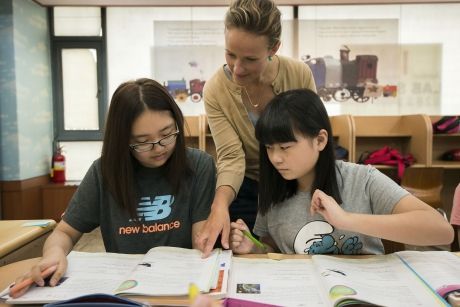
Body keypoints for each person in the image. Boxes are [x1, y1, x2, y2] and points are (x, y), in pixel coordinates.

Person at [13, 78, 216, 297]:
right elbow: (64, 232)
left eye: (167, 134)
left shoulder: (198, 166)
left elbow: (200, 243)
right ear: (122, 140)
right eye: (143, 141)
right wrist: (53, 254)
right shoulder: (104, 172)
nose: (159, 148)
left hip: (182, 289)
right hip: (125, 292)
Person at [230, 89, 454, 255]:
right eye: (269, 148)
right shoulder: (273, 189)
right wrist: (253, 248)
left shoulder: (362, 179)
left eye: (286, 147)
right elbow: (275, 249)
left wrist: (346, 220)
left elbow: (442, 231)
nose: (276, 158)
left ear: (320, 140)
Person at [197, 0, 316, 256]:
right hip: (248, 185)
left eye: (250, 59)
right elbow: (231, 157)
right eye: (230, 54)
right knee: (242, 254)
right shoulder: (216, 89)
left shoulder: (299, 74)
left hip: (297, 182)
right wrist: (219, 206)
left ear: (274, 48)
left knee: (303, 252)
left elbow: (311, 137)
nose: (237, 69)